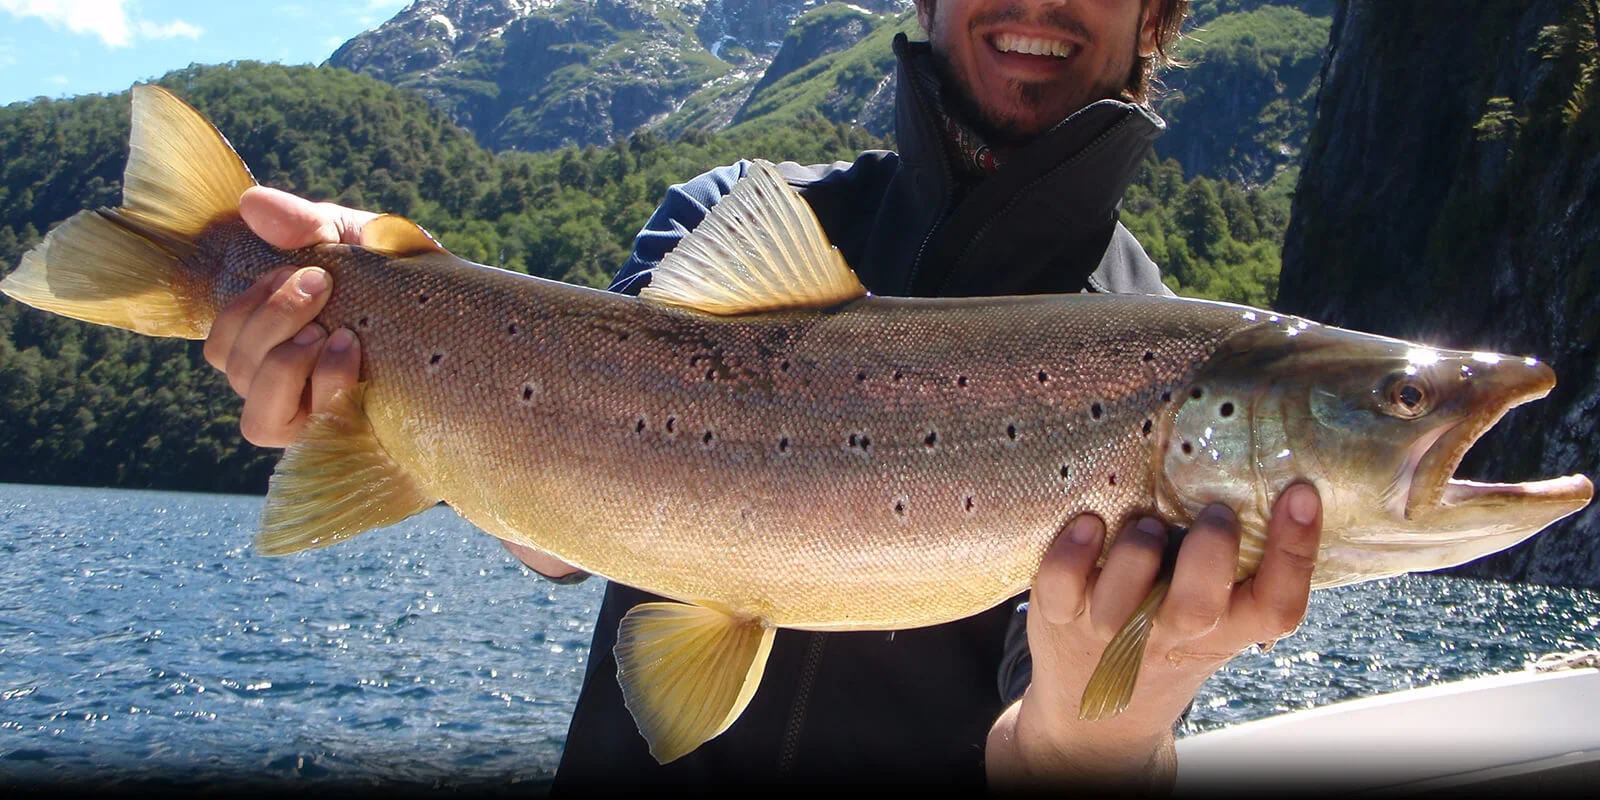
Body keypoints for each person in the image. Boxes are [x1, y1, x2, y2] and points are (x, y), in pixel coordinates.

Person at [203, 0, 1322, 790]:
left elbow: (1048, 754)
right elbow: (561, 536)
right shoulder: (735, 211)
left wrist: (1109, 727)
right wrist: (378, 327)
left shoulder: (1178, 370)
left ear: (1155, 15)